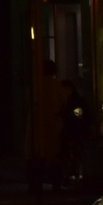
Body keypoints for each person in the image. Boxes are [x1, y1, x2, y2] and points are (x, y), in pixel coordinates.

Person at [24, 59, 70, 192]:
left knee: (35, 154)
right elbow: (64, 102)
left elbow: (29, 101)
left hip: (36, 124)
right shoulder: (56, 85)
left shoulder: (35, 85)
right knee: (55, 155)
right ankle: (56, 184)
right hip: (53, 123)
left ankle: (34, 184)